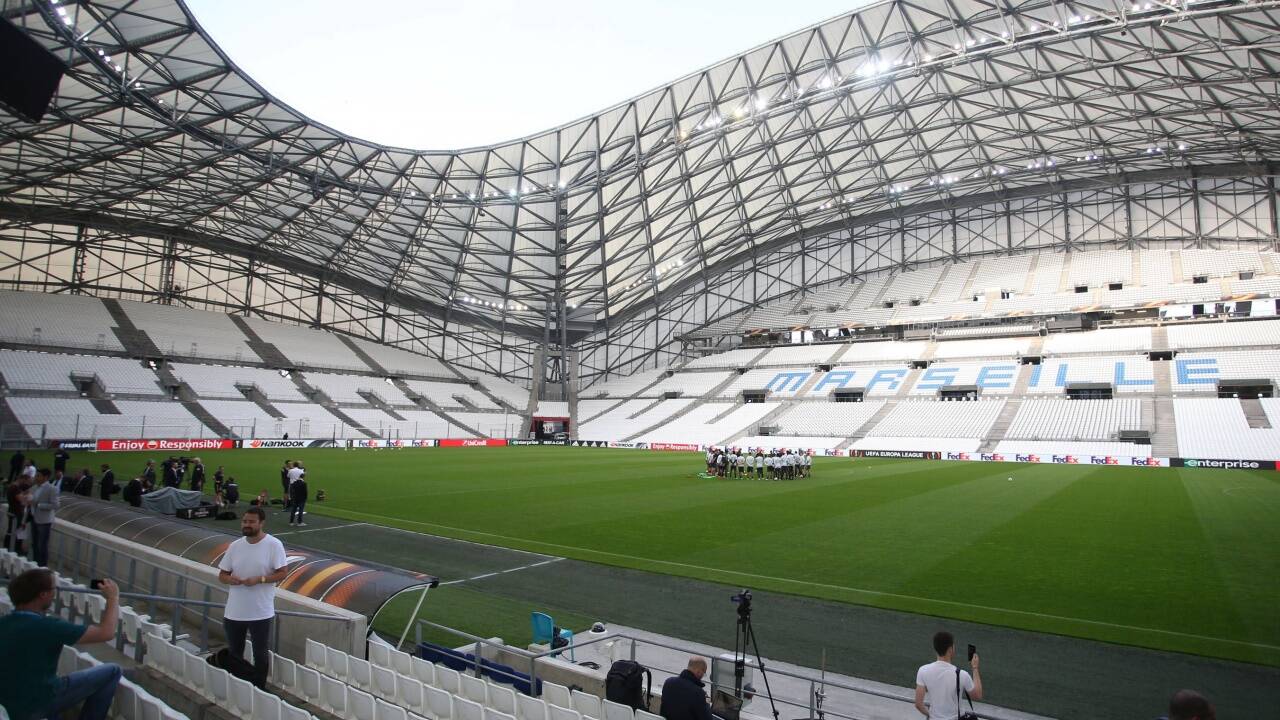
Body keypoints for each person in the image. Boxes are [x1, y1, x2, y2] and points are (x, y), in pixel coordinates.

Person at [0, 569, 122, 720]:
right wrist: (113, 598)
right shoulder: (49, 626)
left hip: (7, 704)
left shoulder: (3, 622)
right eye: (53, 589)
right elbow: (106, 633)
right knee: (112, 671)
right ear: (43, 594)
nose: (55, 593)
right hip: (38, 702)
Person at [217, 507, 288, 688]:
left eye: (251, 522)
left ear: (261, 523)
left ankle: (259, 689)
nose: (246, 525)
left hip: (260, 611)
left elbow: (282, 573)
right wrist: (230, 580)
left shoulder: (274, 545)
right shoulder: (235, 546)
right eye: (245, 521)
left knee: (261, 654)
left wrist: (260, 579)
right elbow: (222, 574)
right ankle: (240, 688)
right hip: (234, 611)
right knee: (234, 654)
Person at [914, 631, 982, 720]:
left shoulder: (923, 670)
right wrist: (975, 668)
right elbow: (977, 695)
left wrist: (931, 715)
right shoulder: (962, 674)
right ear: (950, 649)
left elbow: (918, 704)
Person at [28, 469, 60, 566]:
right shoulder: (34, 487)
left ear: (45, 477)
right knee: (34, 544)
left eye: (38, 475)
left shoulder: (52, 489)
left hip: (44, 521)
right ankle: (35, 564)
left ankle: (42, 566)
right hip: (34, 518)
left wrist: (38, 505)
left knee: (42, 546)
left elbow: (55, 505)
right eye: (36, 475)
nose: (36, 477)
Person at [5, 475, 31, 553]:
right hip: (16, 513)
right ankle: (16, 548)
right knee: (18, 531)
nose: (27, 484)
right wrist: (27, 496)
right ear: (22, 479)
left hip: (14, 512)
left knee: (14, 530)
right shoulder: (15, 488)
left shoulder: (14, 487)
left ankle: (11, 547)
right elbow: (22, 500)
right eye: (27, 481)